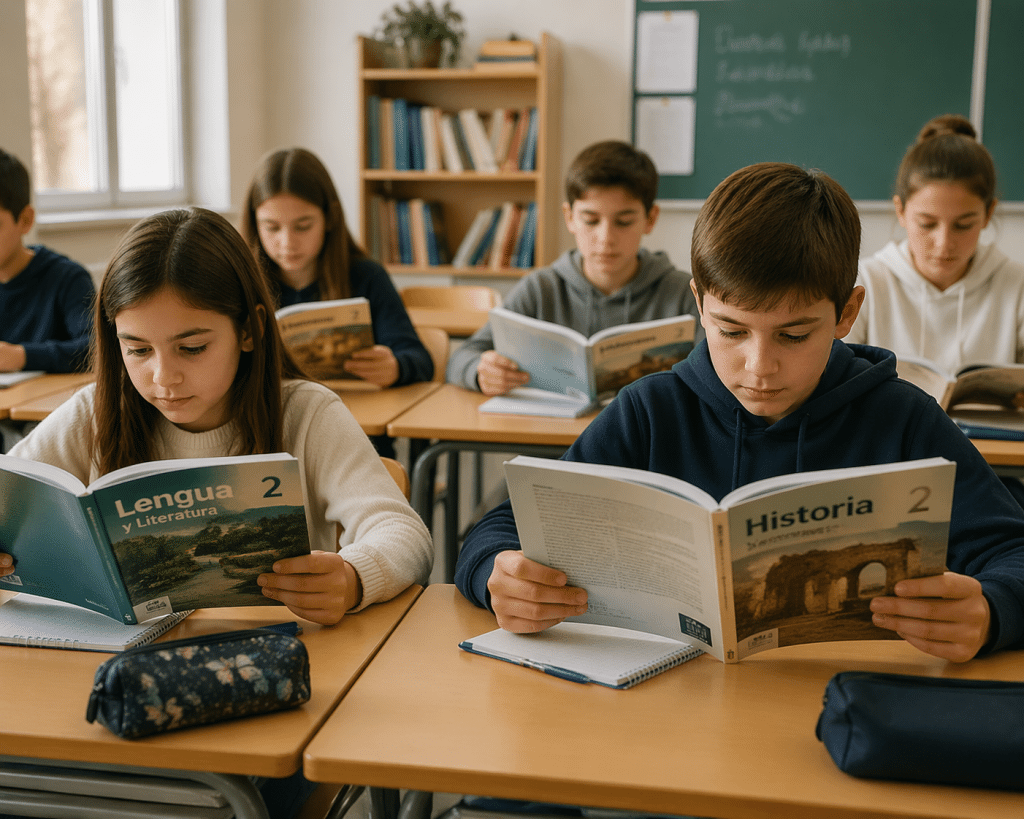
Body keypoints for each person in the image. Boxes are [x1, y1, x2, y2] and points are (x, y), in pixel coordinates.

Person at [455, 162, 1024, 663]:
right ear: (699, 305)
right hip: (667, 705)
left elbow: (1012, 553)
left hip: (849, 702)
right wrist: (495, 573)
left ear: (847, 313)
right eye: (731, 331)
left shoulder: (904, 419)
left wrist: (993, 610)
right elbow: (502, 529)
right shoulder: (650, 412)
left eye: (794, 335)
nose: (759, 367)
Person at [446, 139, 702, 394]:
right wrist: (481, 372)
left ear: (650, 219)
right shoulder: (540, 289)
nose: (605, 238)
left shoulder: (683, 292)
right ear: (569, 217)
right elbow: (461, 357)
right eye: (591, 220)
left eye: (624, 222)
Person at [242, 146, 432, 457]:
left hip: (357, 436)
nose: (287, 242)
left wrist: (395, 367)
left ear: (329, 218)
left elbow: (420, 359)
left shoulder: (366, 277)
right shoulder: (243, 283)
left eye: (303, 226)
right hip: (275, 436)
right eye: (271, 227)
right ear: (254, 223)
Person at [848, 114, 1024, 372]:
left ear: (988, 214)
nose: (944, 244)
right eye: (927, 224)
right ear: (901, 211)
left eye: (963, 225)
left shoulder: (1017, 285)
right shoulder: (867, 281)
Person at [0, 148, 95, 450]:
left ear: (25, 220)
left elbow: (96, 348)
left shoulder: (67, 279)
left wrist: (21, 356)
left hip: (42, 426)